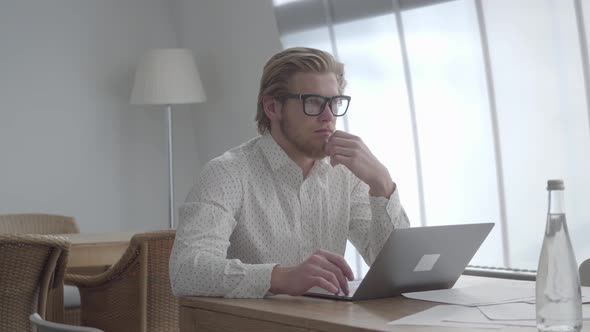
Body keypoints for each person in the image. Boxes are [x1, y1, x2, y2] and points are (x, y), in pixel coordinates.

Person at [169, 47, 410, 299]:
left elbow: (397, 270)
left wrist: (382, 184)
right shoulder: (227, 173)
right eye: (314, 102)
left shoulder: (346, 174)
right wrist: (281, 277)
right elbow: (185, 271)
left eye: (334, 102)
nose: (328, 117)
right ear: (273, 107)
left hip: (330, 322)